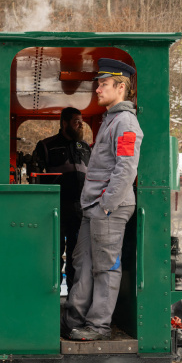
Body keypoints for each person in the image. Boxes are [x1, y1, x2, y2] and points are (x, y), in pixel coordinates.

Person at [62, 58, 143, 341]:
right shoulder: (111, 119)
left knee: (104, 268)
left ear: (121, 87)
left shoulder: (126, 122)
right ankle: (73, 319)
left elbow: (126, 167)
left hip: (108, 207)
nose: (98, 89)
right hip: (93, 207)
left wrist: (107, 205)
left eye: (104, 84)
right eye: (98, 84)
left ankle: (98, 326)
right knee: (81, 262)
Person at [31, 107, 91, 296]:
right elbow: (36, 179)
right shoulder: (46, 146)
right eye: (76, 121)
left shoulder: (86, 148)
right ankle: (51, 297)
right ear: (64, 123)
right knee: (54, 254)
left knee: (78, 256)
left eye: (81, 121)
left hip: (81, 209)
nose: (80, 125)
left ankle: (74, 299)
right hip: (54, 209)